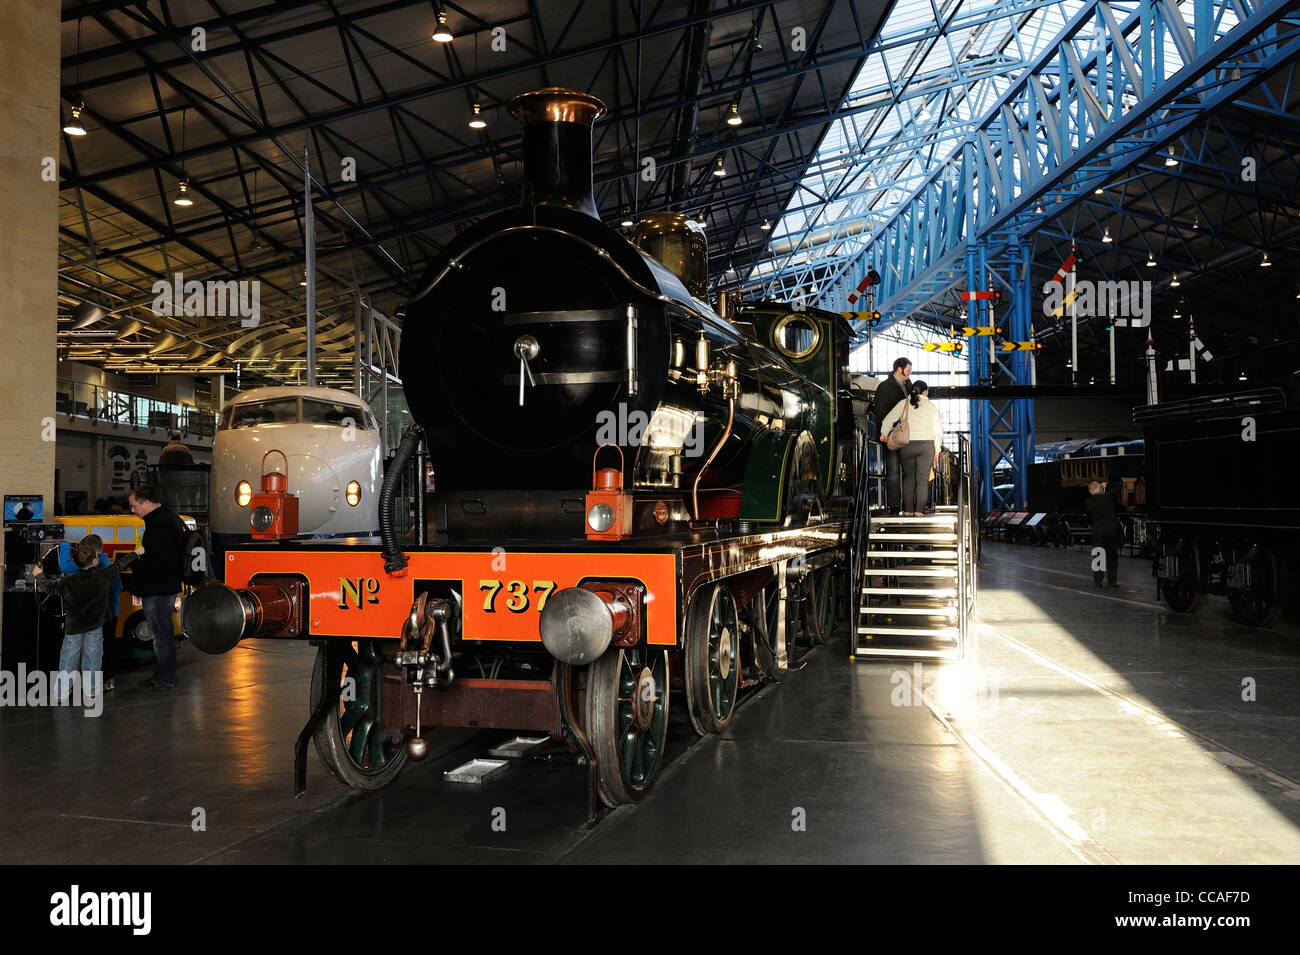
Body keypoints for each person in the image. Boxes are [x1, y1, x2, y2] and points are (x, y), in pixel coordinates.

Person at [33, 541, 134, 701]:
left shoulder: (68, 582)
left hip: (73, 626)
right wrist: (137, 552)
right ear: (95, 561)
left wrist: (38, 574)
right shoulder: (102, 576)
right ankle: (91, 691)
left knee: (68, 658)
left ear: (75, 561)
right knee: (93, 658)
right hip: (95, 625)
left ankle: (61, 692)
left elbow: (49, 587)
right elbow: (119, 565)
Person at [125, 483, 186, 689]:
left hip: (157, 587)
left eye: (134, 506)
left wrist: (134, 560)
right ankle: (164, 675)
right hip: (165, 585)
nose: (132, 510)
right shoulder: (169, 517)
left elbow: (157, 558)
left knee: (160, 633)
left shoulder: (159, 524)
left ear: (148, 502)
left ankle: (164, 678)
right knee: (163, 631)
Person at [57, 534, 122, 691]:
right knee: (105, 647)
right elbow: (118, 587)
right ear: (101, 549)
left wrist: (65, 545)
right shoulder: (109, 567)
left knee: (73, 650)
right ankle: (106, 680)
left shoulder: (80, 567)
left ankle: (63, 689)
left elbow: (64, 566)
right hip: (110, 612)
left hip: (82, 616)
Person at [880, 380, 943, 517]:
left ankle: (907, 510)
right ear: (925, 392)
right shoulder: (932, 407)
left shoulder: (904, 403)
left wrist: (884, 434)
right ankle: (919, 511)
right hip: (926, 446)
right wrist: (937, 448)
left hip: (907, 445)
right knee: (922, 479)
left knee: (908, 478)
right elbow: (938, 430)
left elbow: (888, 419)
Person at [874, 357, 912, 514]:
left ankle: (909, 504)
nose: (910, 373)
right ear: (899, 369)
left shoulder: (909, 386)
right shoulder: (884, 387)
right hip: (892, 437)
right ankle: (895, 506)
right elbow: (881, 412)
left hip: (908, 434)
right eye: (908, 370)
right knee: (894, 471)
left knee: (908, 471)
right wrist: (887, 433)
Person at [1086, 480, 1121, 588]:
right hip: (1110, 532)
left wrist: (1101, 488)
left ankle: (1098, 581)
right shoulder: (1107, 497)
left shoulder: (1089, 501)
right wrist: (1107, 485)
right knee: (1111, 558)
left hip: (1097, 533)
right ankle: (1112, 582)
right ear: (1100, 489)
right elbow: (1119, 486)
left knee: (1098, 557)